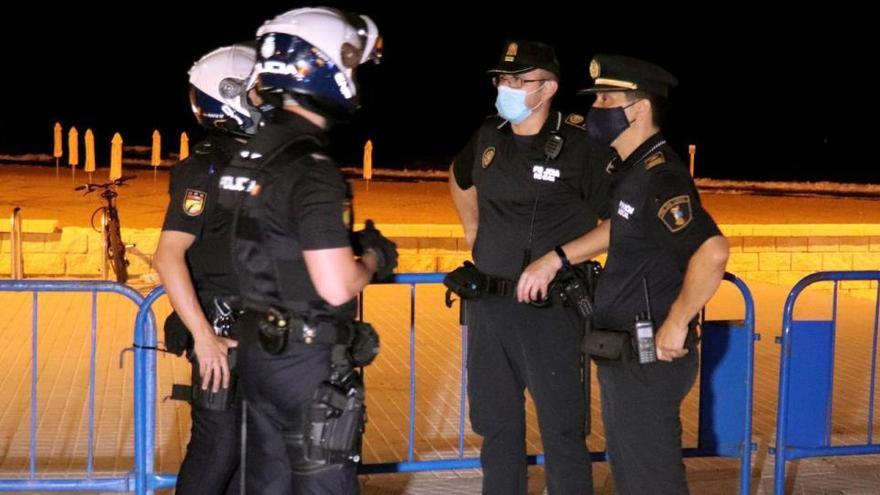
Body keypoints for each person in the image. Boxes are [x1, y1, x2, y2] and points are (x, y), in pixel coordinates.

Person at [517, 54, 730, 494]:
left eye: (608, 99)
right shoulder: (631, 172)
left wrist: (677, 321)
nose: (597, 110)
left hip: (649, 356)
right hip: (623, 352)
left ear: (640, 109)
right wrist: (557, 257)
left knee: (652, 478)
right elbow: (621, 228)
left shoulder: (662, 176)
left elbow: (712, 250)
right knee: (633, 474)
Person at [216, 7, 396, 494]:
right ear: (323, 66)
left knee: (267, 485)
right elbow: (336, 283)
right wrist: (375, 256)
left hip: (258, 348)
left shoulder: (253, 152)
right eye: (352, 64)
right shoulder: (312, 167)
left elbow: (274, 241)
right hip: (305, 357)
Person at [448, 39, 612, 495]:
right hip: (489, 309)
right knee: (495, 427)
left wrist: (556, 259)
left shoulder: (583, 146)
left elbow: (621, 223)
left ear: (548, 88)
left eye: (522, 81)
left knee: (561, 431)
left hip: (550, 311)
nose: (509, 88)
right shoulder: (489, 135)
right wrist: (472, 228)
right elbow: (459, 179)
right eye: (503, 79)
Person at [154, 43, 260, 495]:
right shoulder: (204, 168)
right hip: (221, 333)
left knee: (251, 452)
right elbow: (167, 255)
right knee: (216, 449)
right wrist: (204, 337)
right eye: (258, 92)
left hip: (259, 333)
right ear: (229, 97)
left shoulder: (262, 161)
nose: (266, 100)